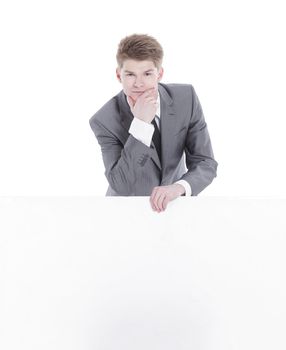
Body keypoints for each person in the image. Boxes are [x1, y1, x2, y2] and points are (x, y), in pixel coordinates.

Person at [89, 34, 218, 212]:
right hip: (126, 212)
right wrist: (141, 124)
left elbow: (205, 162)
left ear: (160, 73)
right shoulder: (104, 120)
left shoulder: (185, 98)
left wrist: (179, 187)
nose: (139, 84)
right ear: (119, 75)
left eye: (148, 74)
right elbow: (121, 185)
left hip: (175, 207)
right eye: (130, 75)